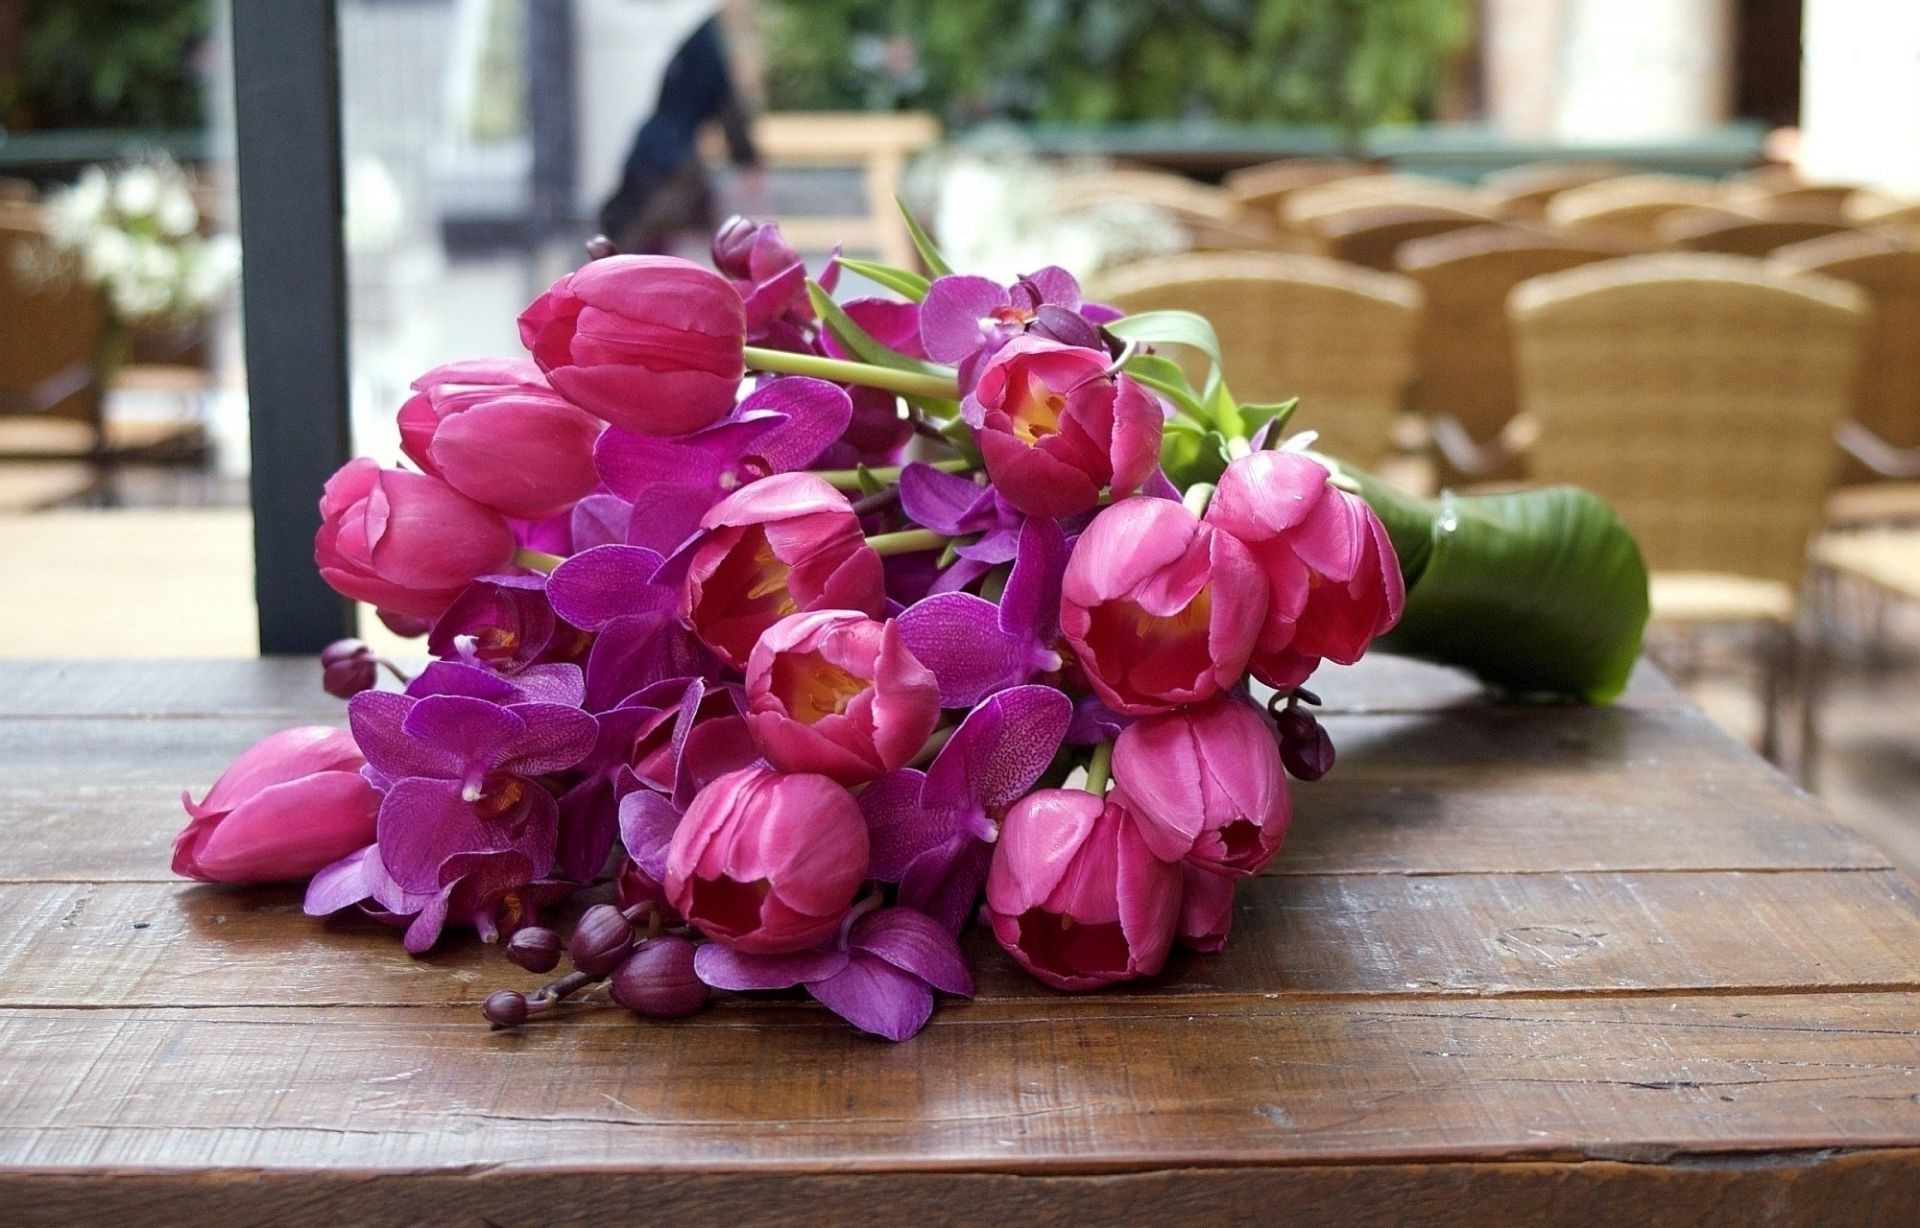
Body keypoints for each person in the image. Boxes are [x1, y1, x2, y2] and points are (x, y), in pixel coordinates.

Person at [599, 14, 760, 255]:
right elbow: (726, 103)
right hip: (671, 161)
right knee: (639, 237)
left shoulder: (694, 36)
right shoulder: (706, 38)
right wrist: (748, 161)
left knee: (638, 235)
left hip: (656, 151)